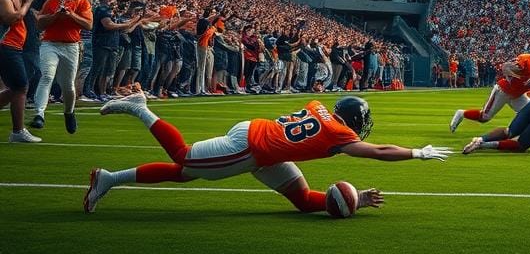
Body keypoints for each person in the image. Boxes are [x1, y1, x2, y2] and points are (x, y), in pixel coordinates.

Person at [84, 92, 449, 214]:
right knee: (182, 157)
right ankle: (139, 107)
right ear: (354, 120)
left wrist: (360, 199)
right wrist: (417, 153)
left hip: (260, 141)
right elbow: (379, 150)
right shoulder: (339, 133)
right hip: (249, 148)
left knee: (305, 200)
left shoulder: (319, 105)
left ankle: (109, 179)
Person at [31, 0, 92, 133]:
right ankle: (39, 114)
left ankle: (69, 111)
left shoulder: (83, 2)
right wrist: (56, 15)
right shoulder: (51, 2)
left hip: (71, 46)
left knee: (68, 86)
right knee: (47, 76)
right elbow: (40, 24)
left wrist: (71, 14)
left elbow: (88, 25)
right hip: (50, 43)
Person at [451, 42, 530, 132]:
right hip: (504, 90)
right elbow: (507, 66)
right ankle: (462, 113)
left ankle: (512, 132)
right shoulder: (527, 59)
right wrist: (510, 71)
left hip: (518, 95)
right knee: (484, 117)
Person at [0, 0, 41, 142]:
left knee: (17, 87)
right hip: (6, 46)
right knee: (21, 87)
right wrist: (27, 3)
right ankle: (18, 131)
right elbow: (12, 17)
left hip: (16, 46)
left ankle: (18, 131)